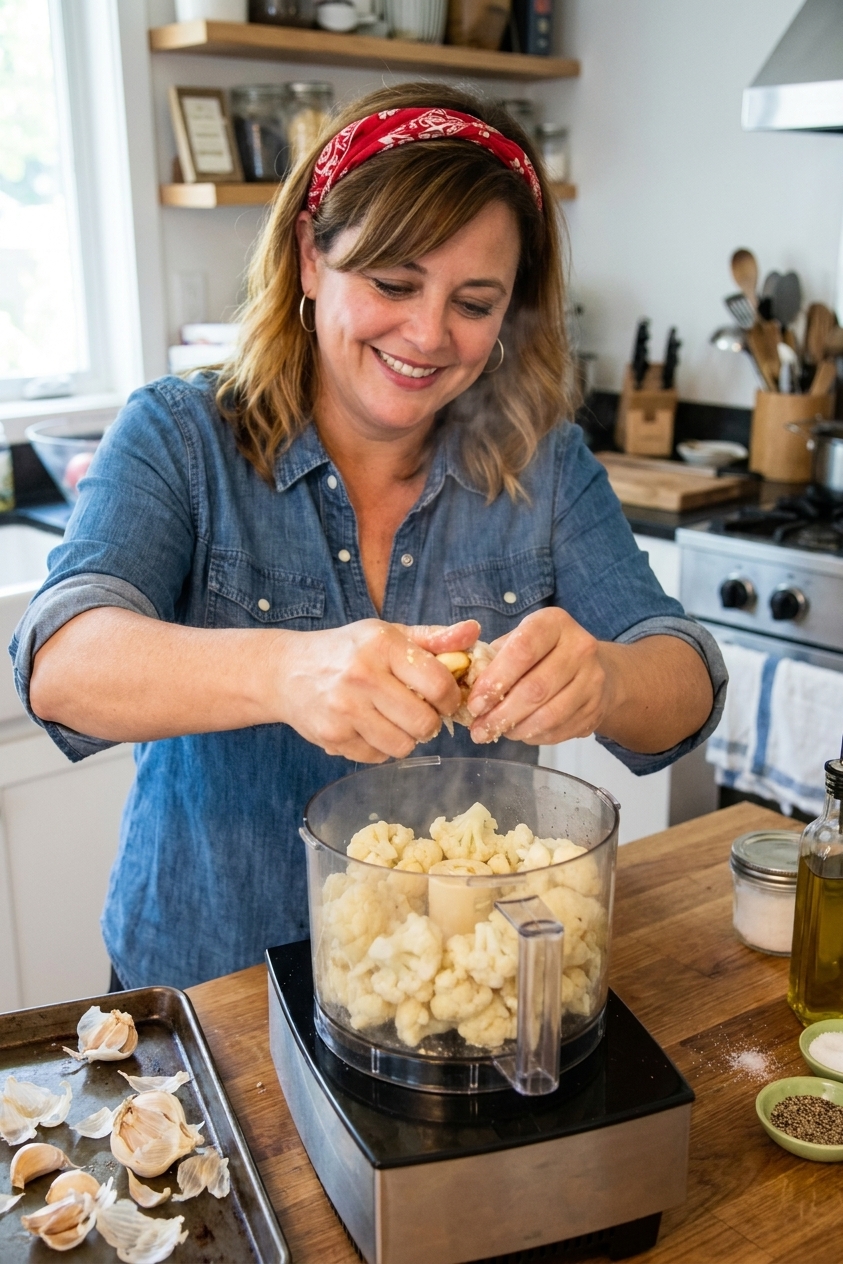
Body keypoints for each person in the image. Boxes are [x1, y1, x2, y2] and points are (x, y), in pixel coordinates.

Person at [10, 83, 726, 991]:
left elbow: (687, 677)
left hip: (442, 998)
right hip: (204, 987)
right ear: (311, 256)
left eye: (474, 301)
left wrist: (608, 678)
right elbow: (61, 663)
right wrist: (283, 671)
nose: (428, 335)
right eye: (392, 283)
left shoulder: (542, 466)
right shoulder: (181, 437)